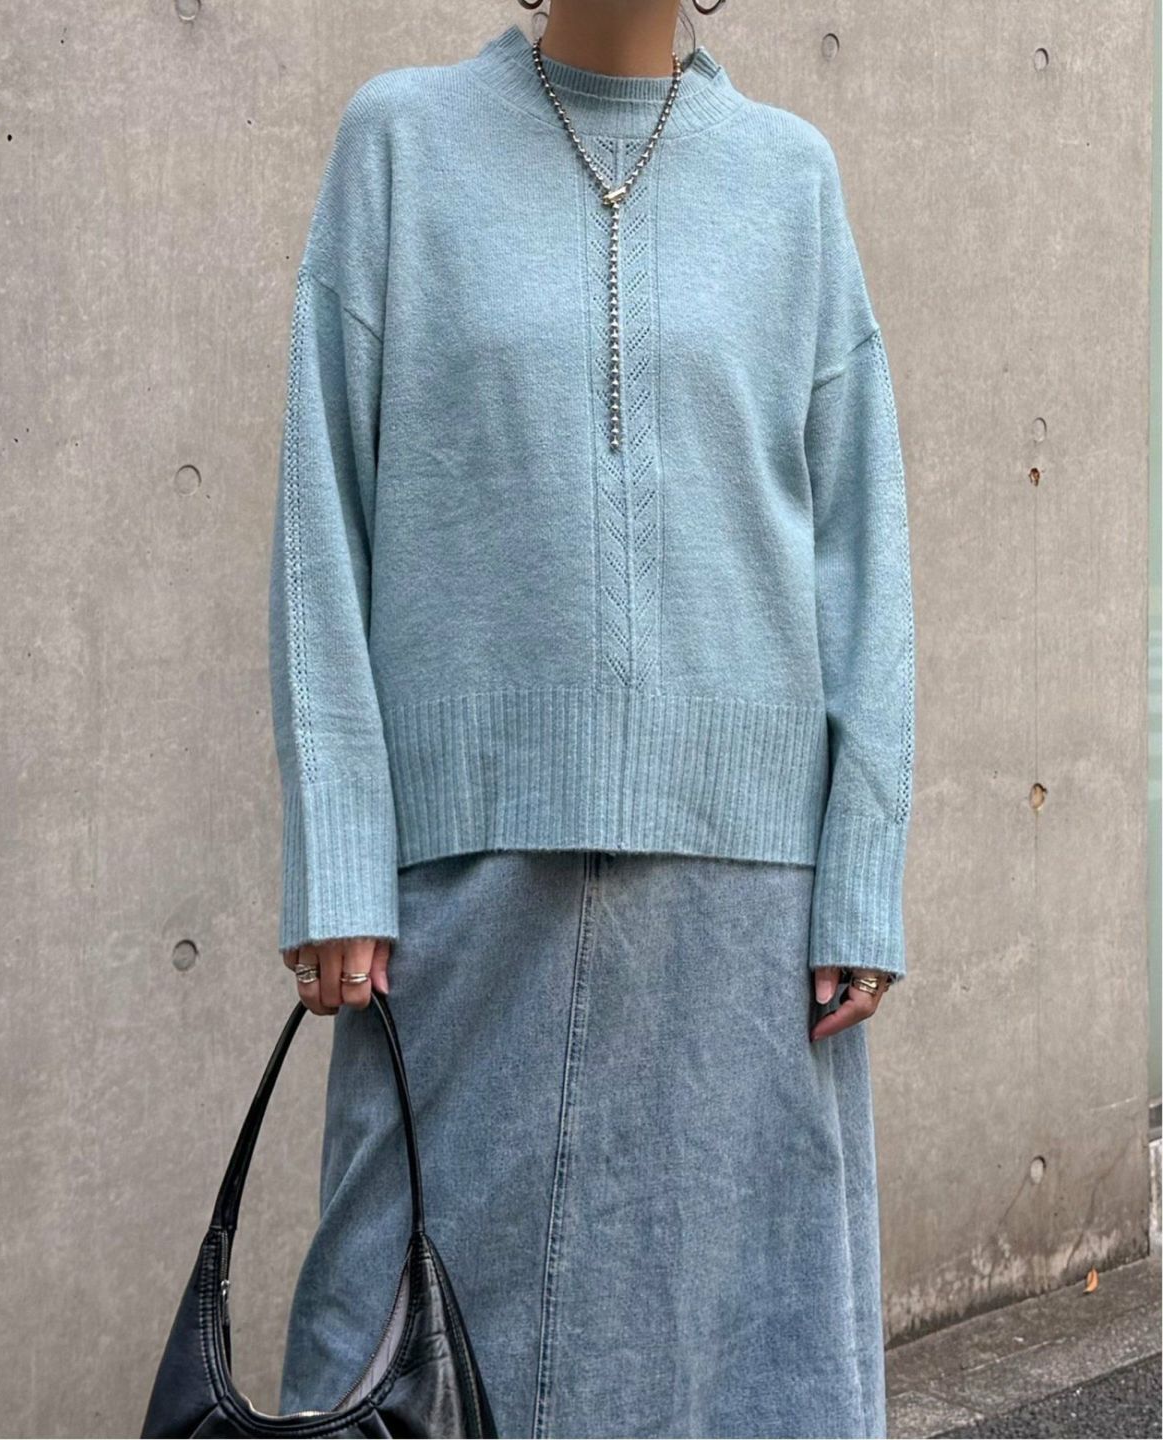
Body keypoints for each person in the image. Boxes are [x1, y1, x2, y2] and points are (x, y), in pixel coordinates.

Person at [268, 1, 916, 1435]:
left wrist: (864, 872)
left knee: (737, 1355)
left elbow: (863, 548)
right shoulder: (401, 145)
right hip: (456, 894)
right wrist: (338, 855)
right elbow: (323, 518)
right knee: (395, 1349)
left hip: (745, 913)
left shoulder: (792, 179)